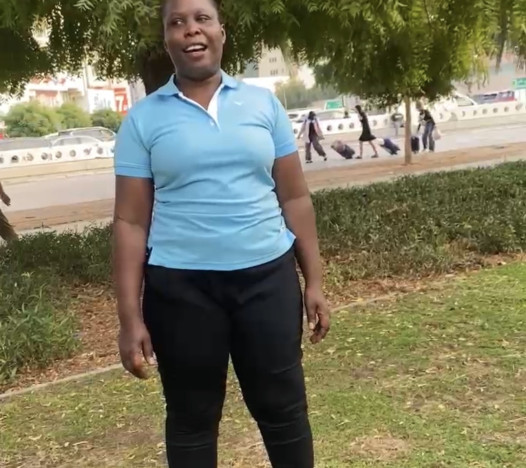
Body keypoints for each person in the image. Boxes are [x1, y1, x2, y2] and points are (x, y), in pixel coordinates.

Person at [113, 0, 330, 466]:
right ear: (167, 39)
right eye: (177, 22)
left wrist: (314, 280)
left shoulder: (263, 104)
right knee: (191, 418)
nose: (191, 30)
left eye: (202, 19)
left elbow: (294, 197)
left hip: (267, 280)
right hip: (181, 290)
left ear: (221, 32)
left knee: (283, 410)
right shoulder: (143, 119)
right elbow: (130, 221)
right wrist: (129, 319)